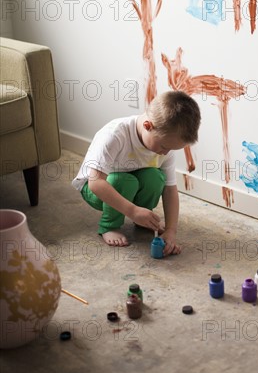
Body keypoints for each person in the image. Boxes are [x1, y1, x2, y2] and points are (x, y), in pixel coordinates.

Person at [72, 91, 201, 255]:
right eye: (163, 147)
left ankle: (144, 220)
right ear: (148, 126)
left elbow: (170, 189)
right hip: (95, 188)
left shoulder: (165, 146)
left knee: (155, 177)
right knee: (125, 181)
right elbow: (96, 182)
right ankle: (109, 225)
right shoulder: (115, 135)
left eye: (170, 149)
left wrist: (171, 230)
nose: (165, 152)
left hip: (130, 180)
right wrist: (132, 211)